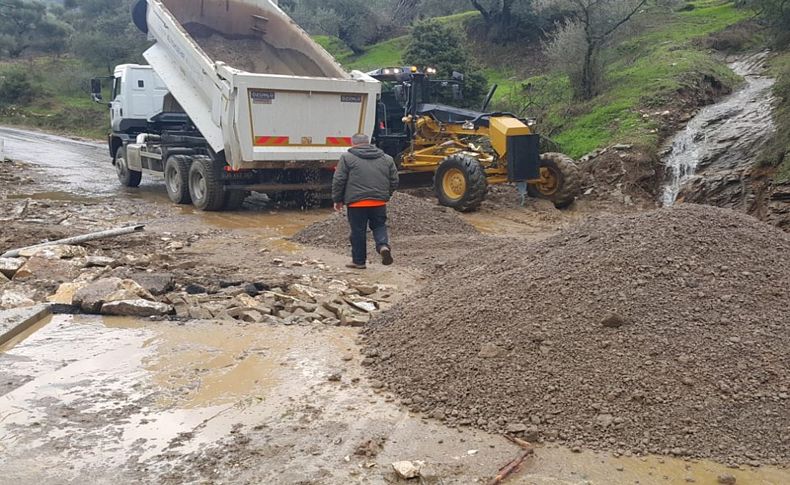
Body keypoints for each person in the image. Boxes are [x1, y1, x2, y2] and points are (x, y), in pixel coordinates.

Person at [332, 133, 399, 269]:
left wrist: (337, 199)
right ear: (369, 143)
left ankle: (359, 261)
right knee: (379, 226)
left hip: (356, 203)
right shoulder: (387, 159)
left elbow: (339, 180)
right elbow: (394, 180)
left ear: (353, 143)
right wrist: (387, 194)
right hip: (378, 202)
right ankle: (383, 246)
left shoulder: (347, 158)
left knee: (358, 231)